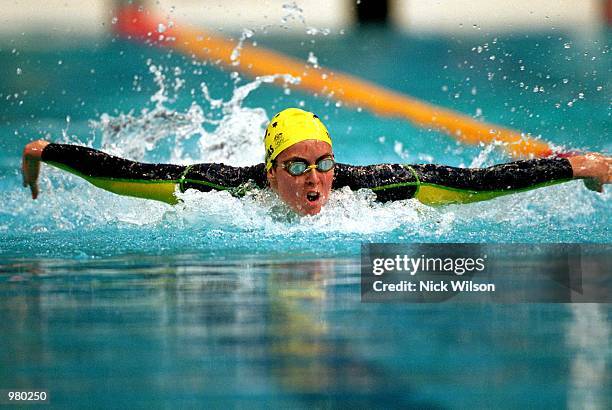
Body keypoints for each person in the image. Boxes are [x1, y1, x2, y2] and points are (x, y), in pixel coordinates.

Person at [22, 108, 611, 216]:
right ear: (273, 171)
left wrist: (574, 165)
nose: (316, 181)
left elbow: (472, 183)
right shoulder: (227, 190)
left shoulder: (370, 190)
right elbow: (129, 175)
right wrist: (47, 153)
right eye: (298, 167)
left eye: (325, 164)